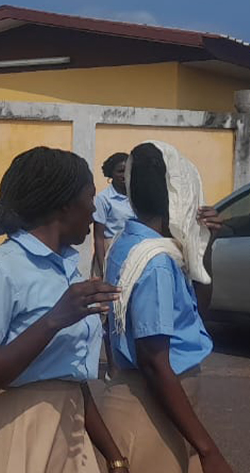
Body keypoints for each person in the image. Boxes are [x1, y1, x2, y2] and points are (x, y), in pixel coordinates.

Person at [0, 146, 125, 473]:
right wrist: (55, 319)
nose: (94, 213)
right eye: (90, 198)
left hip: (69, 434)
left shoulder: (66, 268)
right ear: (64, 205)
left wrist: (113, 457)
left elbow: (69, 375)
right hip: (14, 438)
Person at [101, 141, 232, 473]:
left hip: (158, 401)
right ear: (180, 195)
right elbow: (154, 362)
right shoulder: (156, 261)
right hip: (151, 406)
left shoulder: (131, 242)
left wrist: (204, 245)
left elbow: (193, 314)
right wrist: (209, 450)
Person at [92, 152, 133, 277]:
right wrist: (103, 268)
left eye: (128, 171)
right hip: (111, 252)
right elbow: (99, 238)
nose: (124, 175)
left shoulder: (136, 197)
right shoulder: (103, 199)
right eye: (120, 171)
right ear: (111, 174)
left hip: (133, 251)